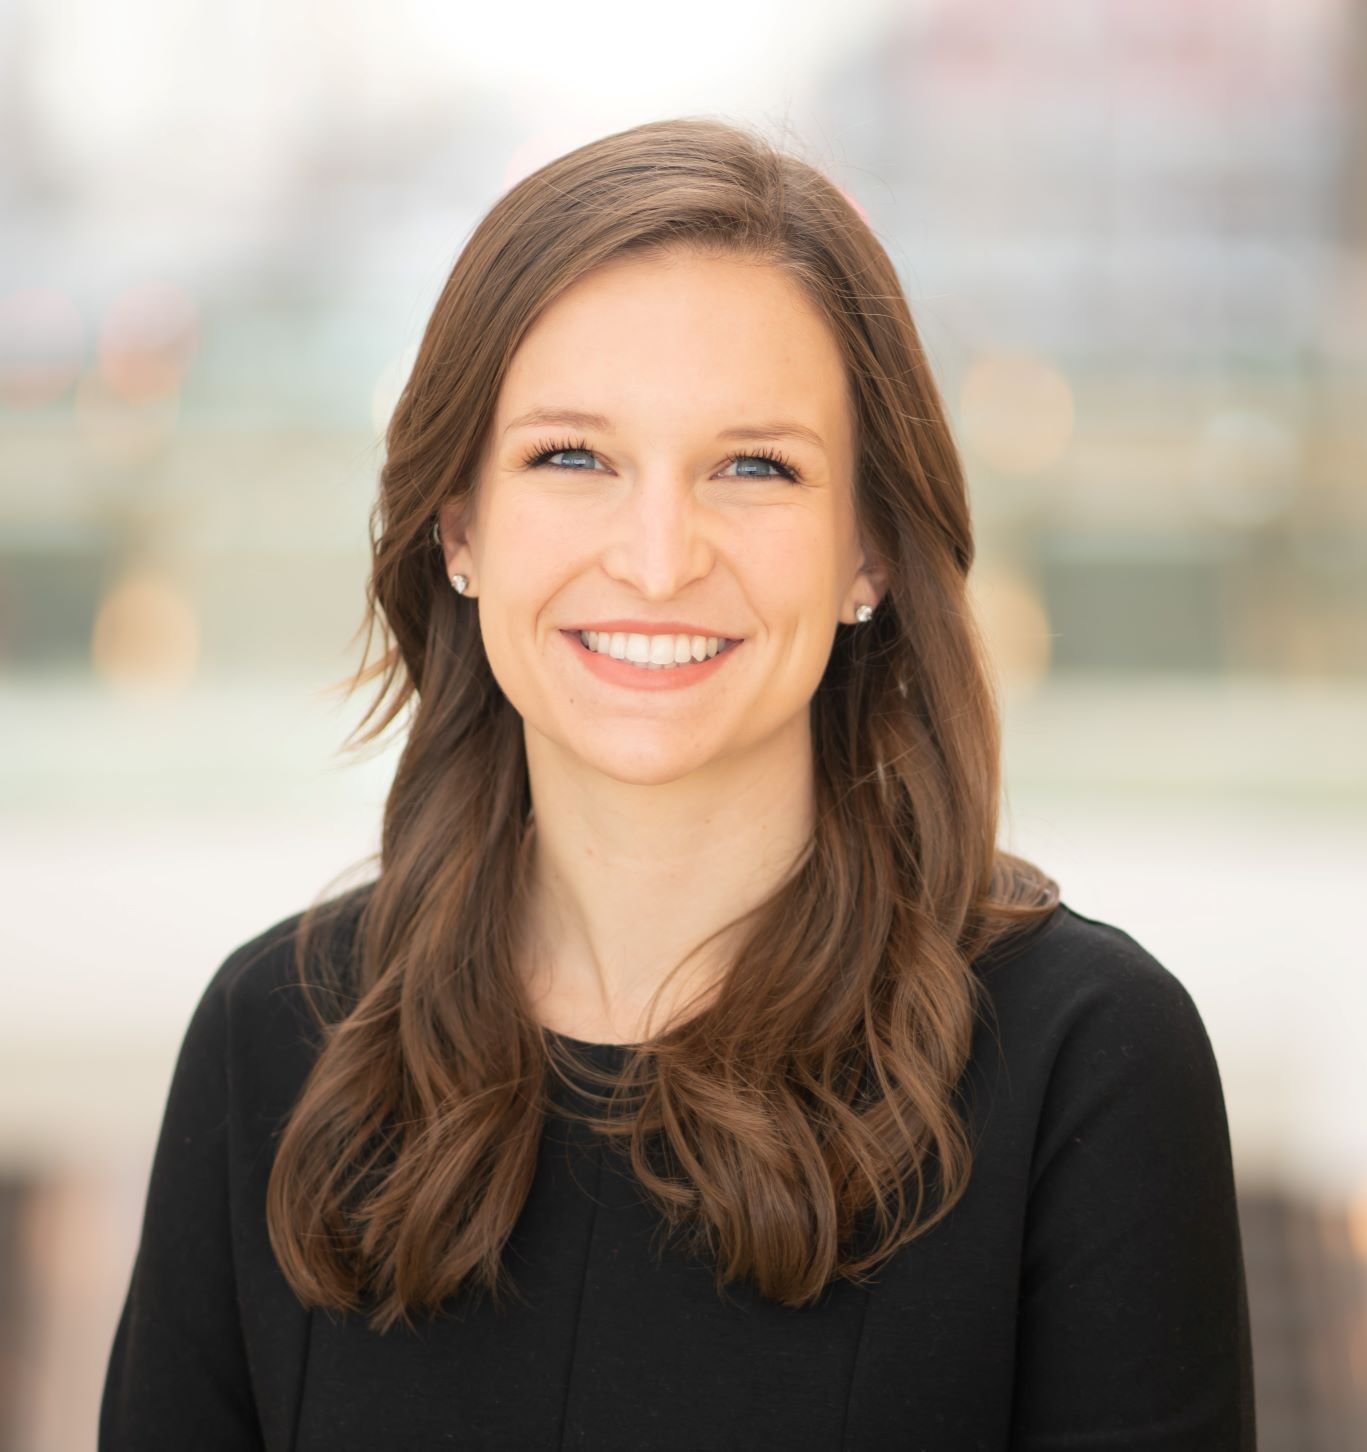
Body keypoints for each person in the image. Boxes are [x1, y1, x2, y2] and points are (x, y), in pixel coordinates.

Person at [99, 116, 1257, 1450]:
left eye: (754, 467)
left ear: (867, 549)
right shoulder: (274, 1043)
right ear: (459, 525)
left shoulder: (1086, 1065)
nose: (657, 560)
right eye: (570, 457)